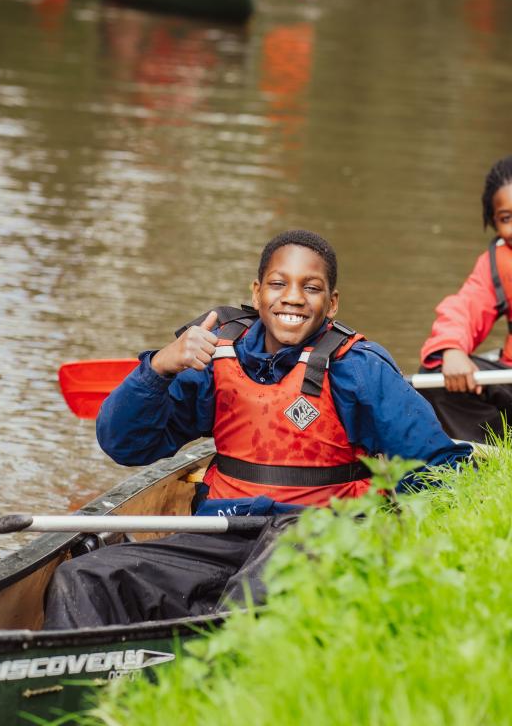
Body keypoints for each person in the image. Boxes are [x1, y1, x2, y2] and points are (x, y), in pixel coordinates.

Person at [43, 229, 472, 629]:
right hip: (220, 537)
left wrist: (391, 539)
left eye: (311, 287)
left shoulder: (358, 370)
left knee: (257, 589)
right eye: (278, 284)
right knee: (83, 578)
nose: (293, 298)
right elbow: (123, 443)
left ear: (332, 303)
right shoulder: (214, 358)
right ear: (257, 292)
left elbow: (440, 469)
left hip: (315, 541)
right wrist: (158, 368)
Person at [420, 156, 512, 443]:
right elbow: (466, 306)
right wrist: (452, 348)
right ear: (493, 222)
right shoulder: (497, 262)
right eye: (507, 218)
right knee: (436, 377)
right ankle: (490, 449)